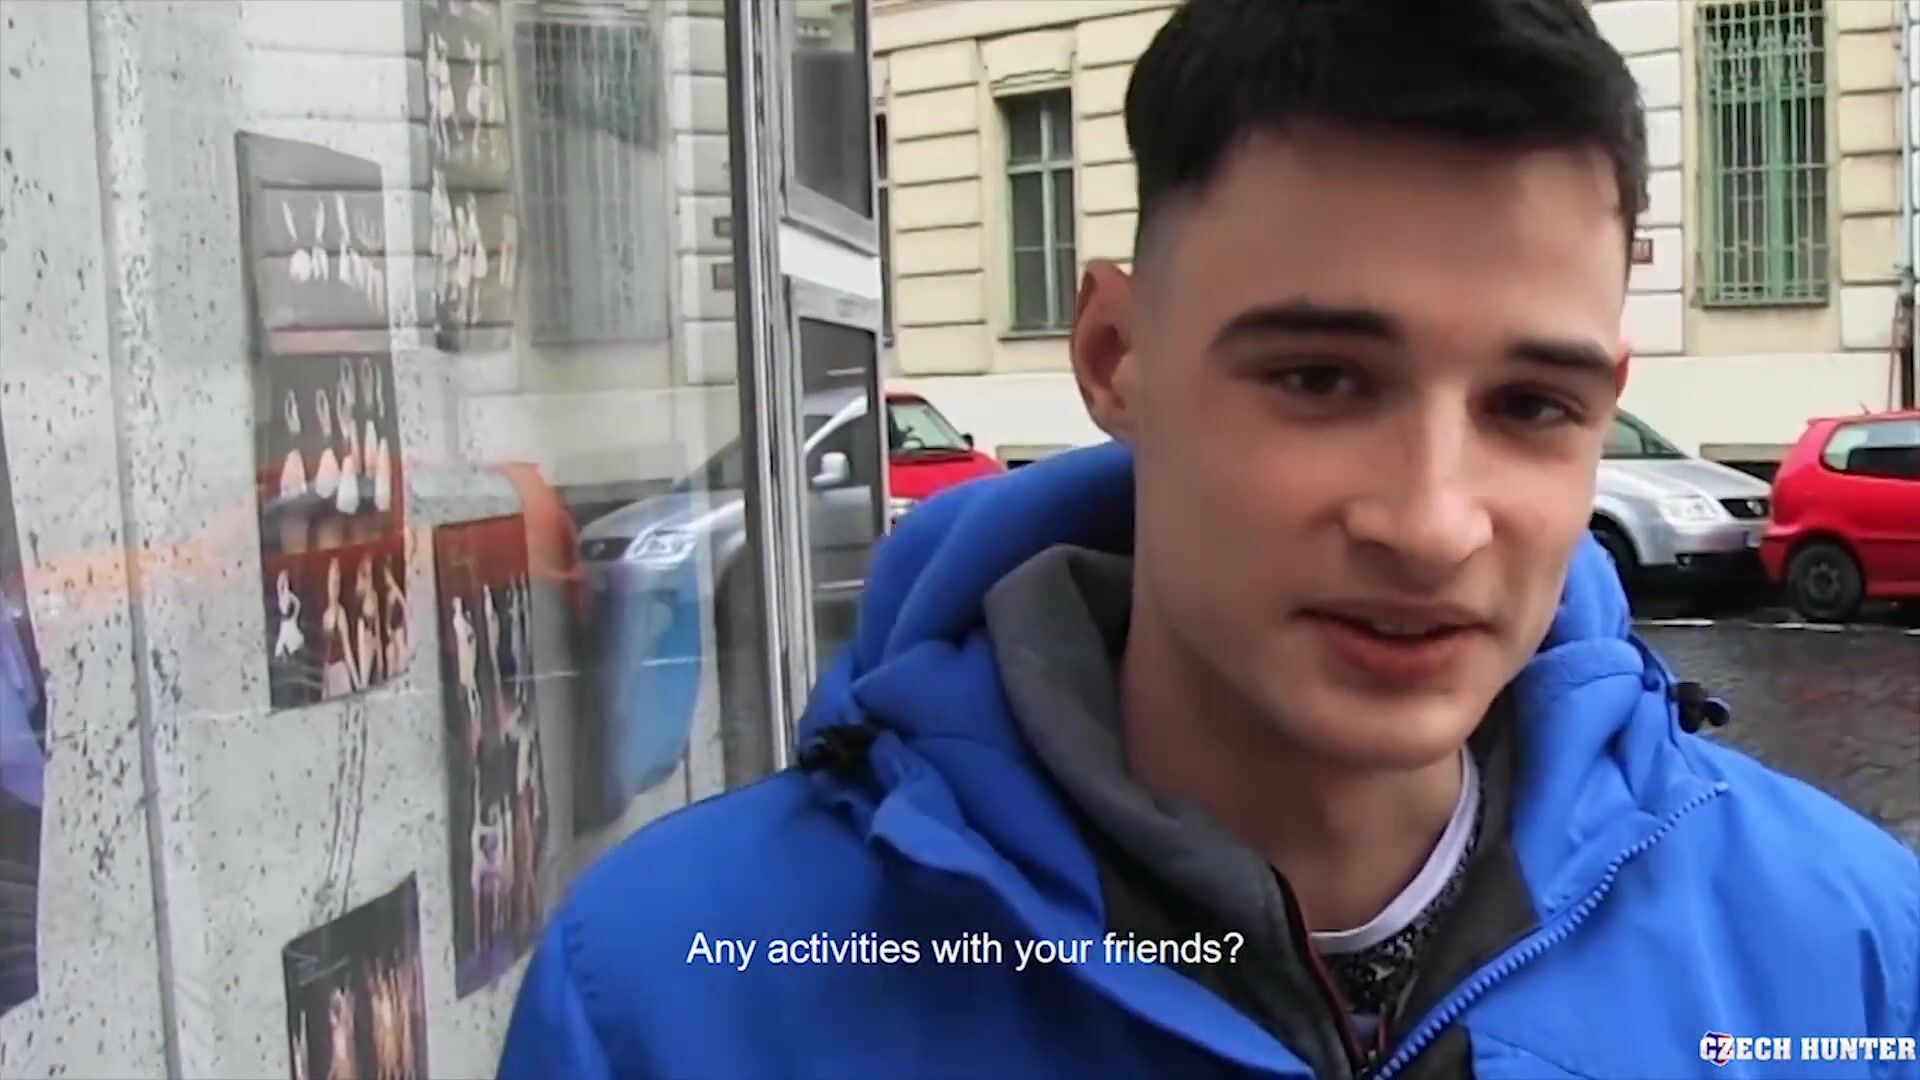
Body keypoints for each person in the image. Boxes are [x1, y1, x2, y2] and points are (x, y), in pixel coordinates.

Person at [500, 1, 1920, 1077]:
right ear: (1116, 356)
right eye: (1320, 379)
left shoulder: (1849, 960)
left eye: (1531, 406)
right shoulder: (683, 993)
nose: (1431, 522)